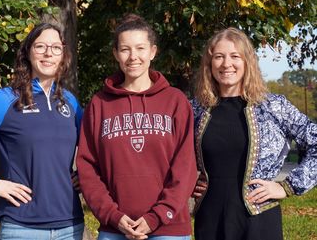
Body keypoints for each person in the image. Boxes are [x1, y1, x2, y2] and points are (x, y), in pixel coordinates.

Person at [0, 23, 84, 240]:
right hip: (22, 227)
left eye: (56, 47)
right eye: (40, 46)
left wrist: (86, 176)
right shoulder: (7, 99)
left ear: (63, 54)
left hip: (70, 225)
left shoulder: (70, 102)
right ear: (28, 52)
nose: (49, 53)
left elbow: (96, 145)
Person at [76, 14, 197, 240]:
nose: (133, 57)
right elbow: (88, 167)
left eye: (140, 48)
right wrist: (112, 216)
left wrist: (157, 216)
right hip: (115, 229)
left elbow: (186, 167)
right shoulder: (99, 104)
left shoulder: (175, 101)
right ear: (116, 54)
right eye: (125, 49)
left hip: (167, 229)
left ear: (152, 52)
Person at [191, 27, 317, 240]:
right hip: (210, 218)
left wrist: (287, 187)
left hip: (258, 219)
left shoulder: (273, 107)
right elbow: (169, 153)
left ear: (247, 61)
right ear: (209, 64)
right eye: (219, 57)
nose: (226, 64)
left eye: (235, 56)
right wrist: (188, 182)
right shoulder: (195, 110)